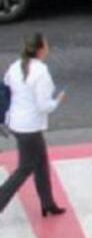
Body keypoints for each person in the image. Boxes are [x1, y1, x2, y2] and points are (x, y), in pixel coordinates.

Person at [0, 34, 66, 218]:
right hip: (29, 127)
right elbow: (44, 106)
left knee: (40, 162)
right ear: (40, 49)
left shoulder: (15, 66)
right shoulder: (41, 72)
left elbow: (6, 87)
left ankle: (48, 203)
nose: (48, 47)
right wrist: (57, 100)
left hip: (15, 122)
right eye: (46, 44)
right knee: (25, 168)